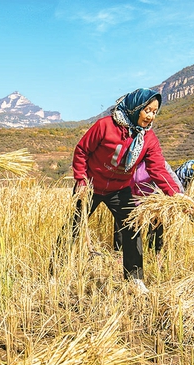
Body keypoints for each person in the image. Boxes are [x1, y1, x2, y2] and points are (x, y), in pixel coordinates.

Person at [63, 88, 181, 293]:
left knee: (132, 226)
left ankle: (134, 279)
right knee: (73, 227)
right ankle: (57, 271)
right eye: (148, 110)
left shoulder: (148, 138)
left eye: (155, 112)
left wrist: (176, 194)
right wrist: (81, 180)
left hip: (119, 188)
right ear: (136, 108)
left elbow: (158, 168)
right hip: (90, 185)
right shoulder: (105, 126)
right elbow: (82, 150)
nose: (151, 116)